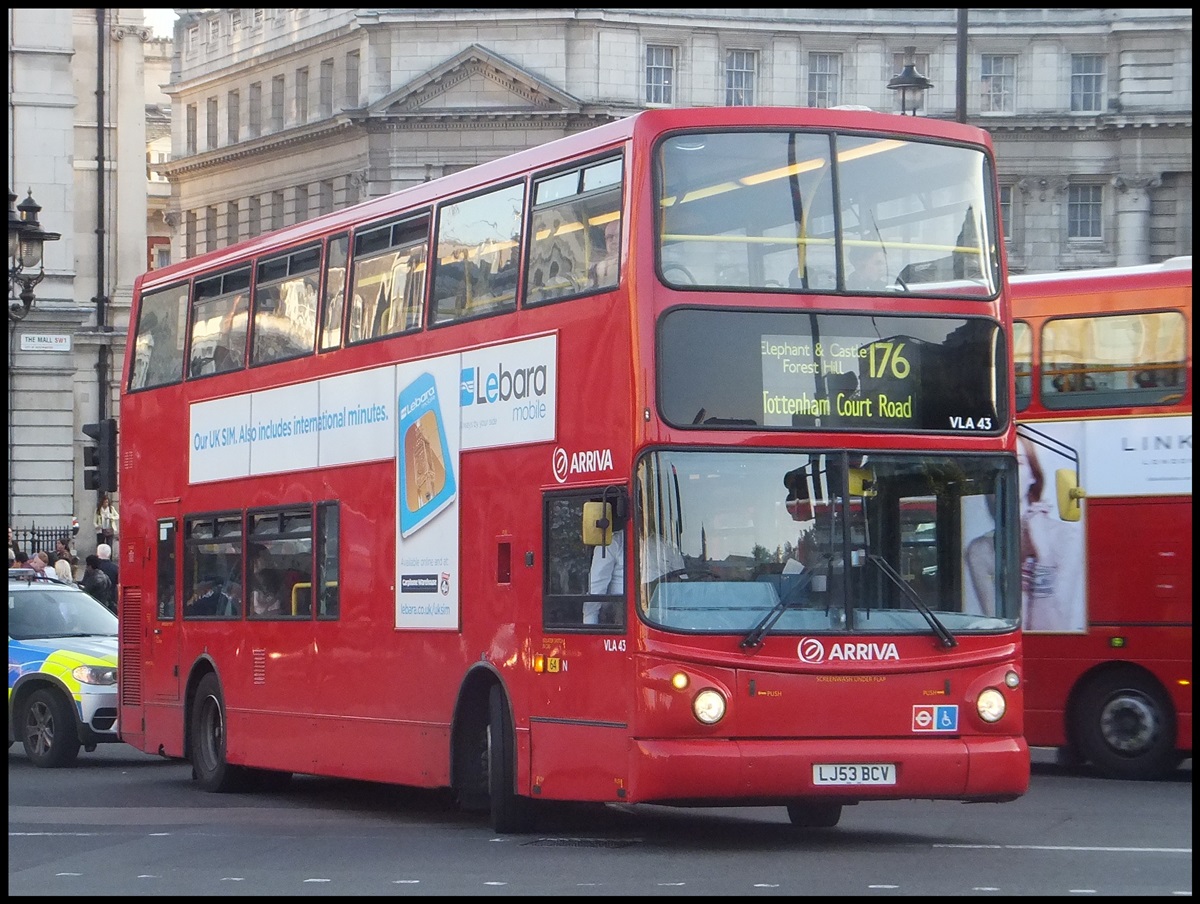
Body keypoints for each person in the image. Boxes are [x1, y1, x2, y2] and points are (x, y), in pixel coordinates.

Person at [1017, 435, 1085, 632]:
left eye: (1019, 462)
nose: (1007, 473)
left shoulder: (1067, 536)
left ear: (1032, 475)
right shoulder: (981, 550)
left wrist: (1044, 556)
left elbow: (1048, 630)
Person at [585, 517, 625, 625]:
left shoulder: (664, 545)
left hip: (664, 612)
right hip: (624, 612)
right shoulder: (612, 544)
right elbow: (595, 591)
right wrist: (590, 629)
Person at [589, 217, 621, 289]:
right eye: (610, 237)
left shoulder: (634, 262)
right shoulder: (596, 267)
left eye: (618, 235)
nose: (614, 241)